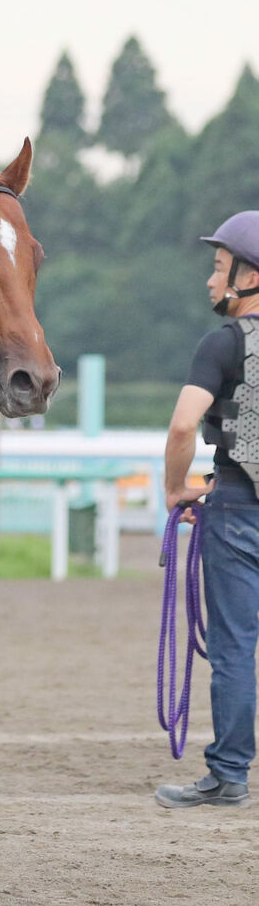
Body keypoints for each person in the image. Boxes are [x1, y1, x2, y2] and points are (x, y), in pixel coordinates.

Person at [155, 212, 259, 808]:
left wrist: (176, 489)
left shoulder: (223, 344)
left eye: (220, 269)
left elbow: (183, 425)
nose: (210, 281)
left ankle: (229, 776)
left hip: (239, 512)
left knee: (233, 647)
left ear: (250, 276)